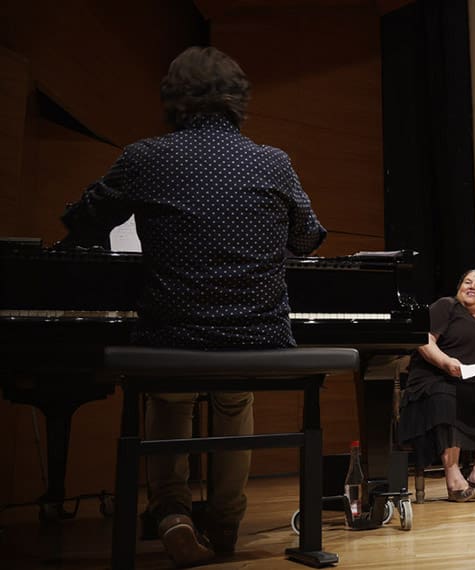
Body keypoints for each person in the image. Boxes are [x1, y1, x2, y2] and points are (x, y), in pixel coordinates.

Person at [58, 46, 326, 566]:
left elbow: (82, 222)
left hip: (173, 333)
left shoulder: (144, 157)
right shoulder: (274, 161)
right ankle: (225, 521)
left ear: (174, 100)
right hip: (254, 336)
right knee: (234, 399)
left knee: (170, 397)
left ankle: (175, 516)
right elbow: (308, 238)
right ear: (238, 101)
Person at [397, 269, 475, 502]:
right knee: (447, 395)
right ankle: (453, 477)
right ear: (459, 288)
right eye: (467, 282)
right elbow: (424, 341)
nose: (472, 286)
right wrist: (446, 362)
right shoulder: (447, 307)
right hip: (436, 380)